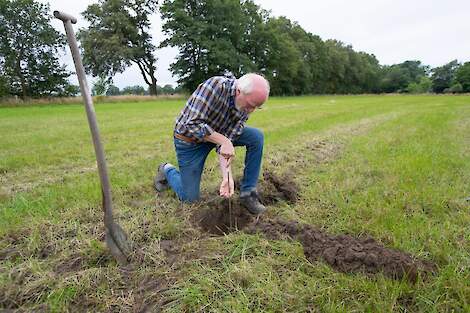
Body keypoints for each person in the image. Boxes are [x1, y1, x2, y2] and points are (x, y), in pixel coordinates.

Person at [154, 72, 270, 214]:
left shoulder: (244, 106)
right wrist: (223, 140)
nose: (251, 111)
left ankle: (248, 194)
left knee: (256, 137)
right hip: (190, 141)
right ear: (239, 91)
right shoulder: (215, 86)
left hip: (215, 136)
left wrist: (227, 177)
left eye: (256, 107)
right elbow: (191, 125)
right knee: (189, 199)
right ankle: (166, 169)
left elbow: (226, 144)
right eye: (250, 105)